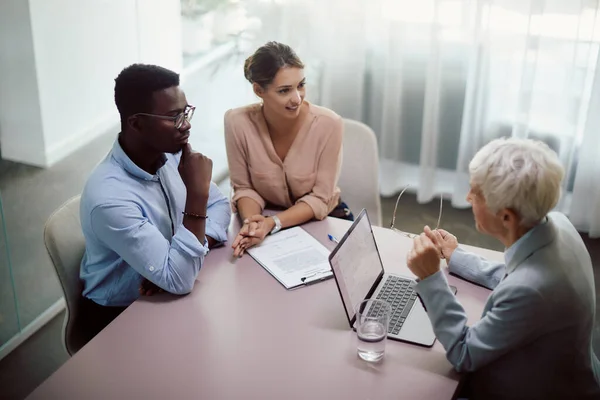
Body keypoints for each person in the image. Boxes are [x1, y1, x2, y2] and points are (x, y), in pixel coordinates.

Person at [406, 137, 600, 399]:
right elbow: (517, 277)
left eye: (476, 192)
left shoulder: (532, 291)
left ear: (506, 217)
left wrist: (431, 277)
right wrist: (456, 257)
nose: (467, 196)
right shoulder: (557, 224)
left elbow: (463, 354)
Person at [79, 64, 231, 341]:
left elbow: (221, 208)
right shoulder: (109, 198)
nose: (186, 125)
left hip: (171, 292)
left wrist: (180, 256)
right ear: (136, 123)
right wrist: (197, 197)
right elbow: (180, 280)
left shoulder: (171, 153)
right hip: (120, 317)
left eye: (185, 112)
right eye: (174, 117)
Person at [224, 41, 351, 257]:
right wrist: (253, 223)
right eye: (284, 90)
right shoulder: (237, 122)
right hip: (264, 218)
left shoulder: (330, 124)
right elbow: (244, 188)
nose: (297, 98)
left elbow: (320, 198)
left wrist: (272, 223)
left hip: (321, 220)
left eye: (301, 85)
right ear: (258, 90)